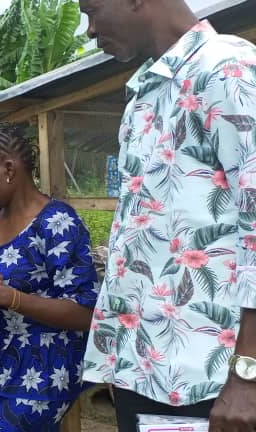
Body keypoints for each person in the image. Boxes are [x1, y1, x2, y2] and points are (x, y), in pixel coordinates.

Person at [78, 1, 256, 430]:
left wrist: (249, 373)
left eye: (93, 10)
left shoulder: (227, 69)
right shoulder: (146, 91)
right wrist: (121, 359)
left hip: (213, 380)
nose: (90, 29)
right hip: (147, 371)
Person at [0, 122, 99, 431]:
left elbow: (86, 313)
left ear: (9, 169)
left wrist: (7, 297)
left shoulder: (57, 223)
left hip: (43, 366)